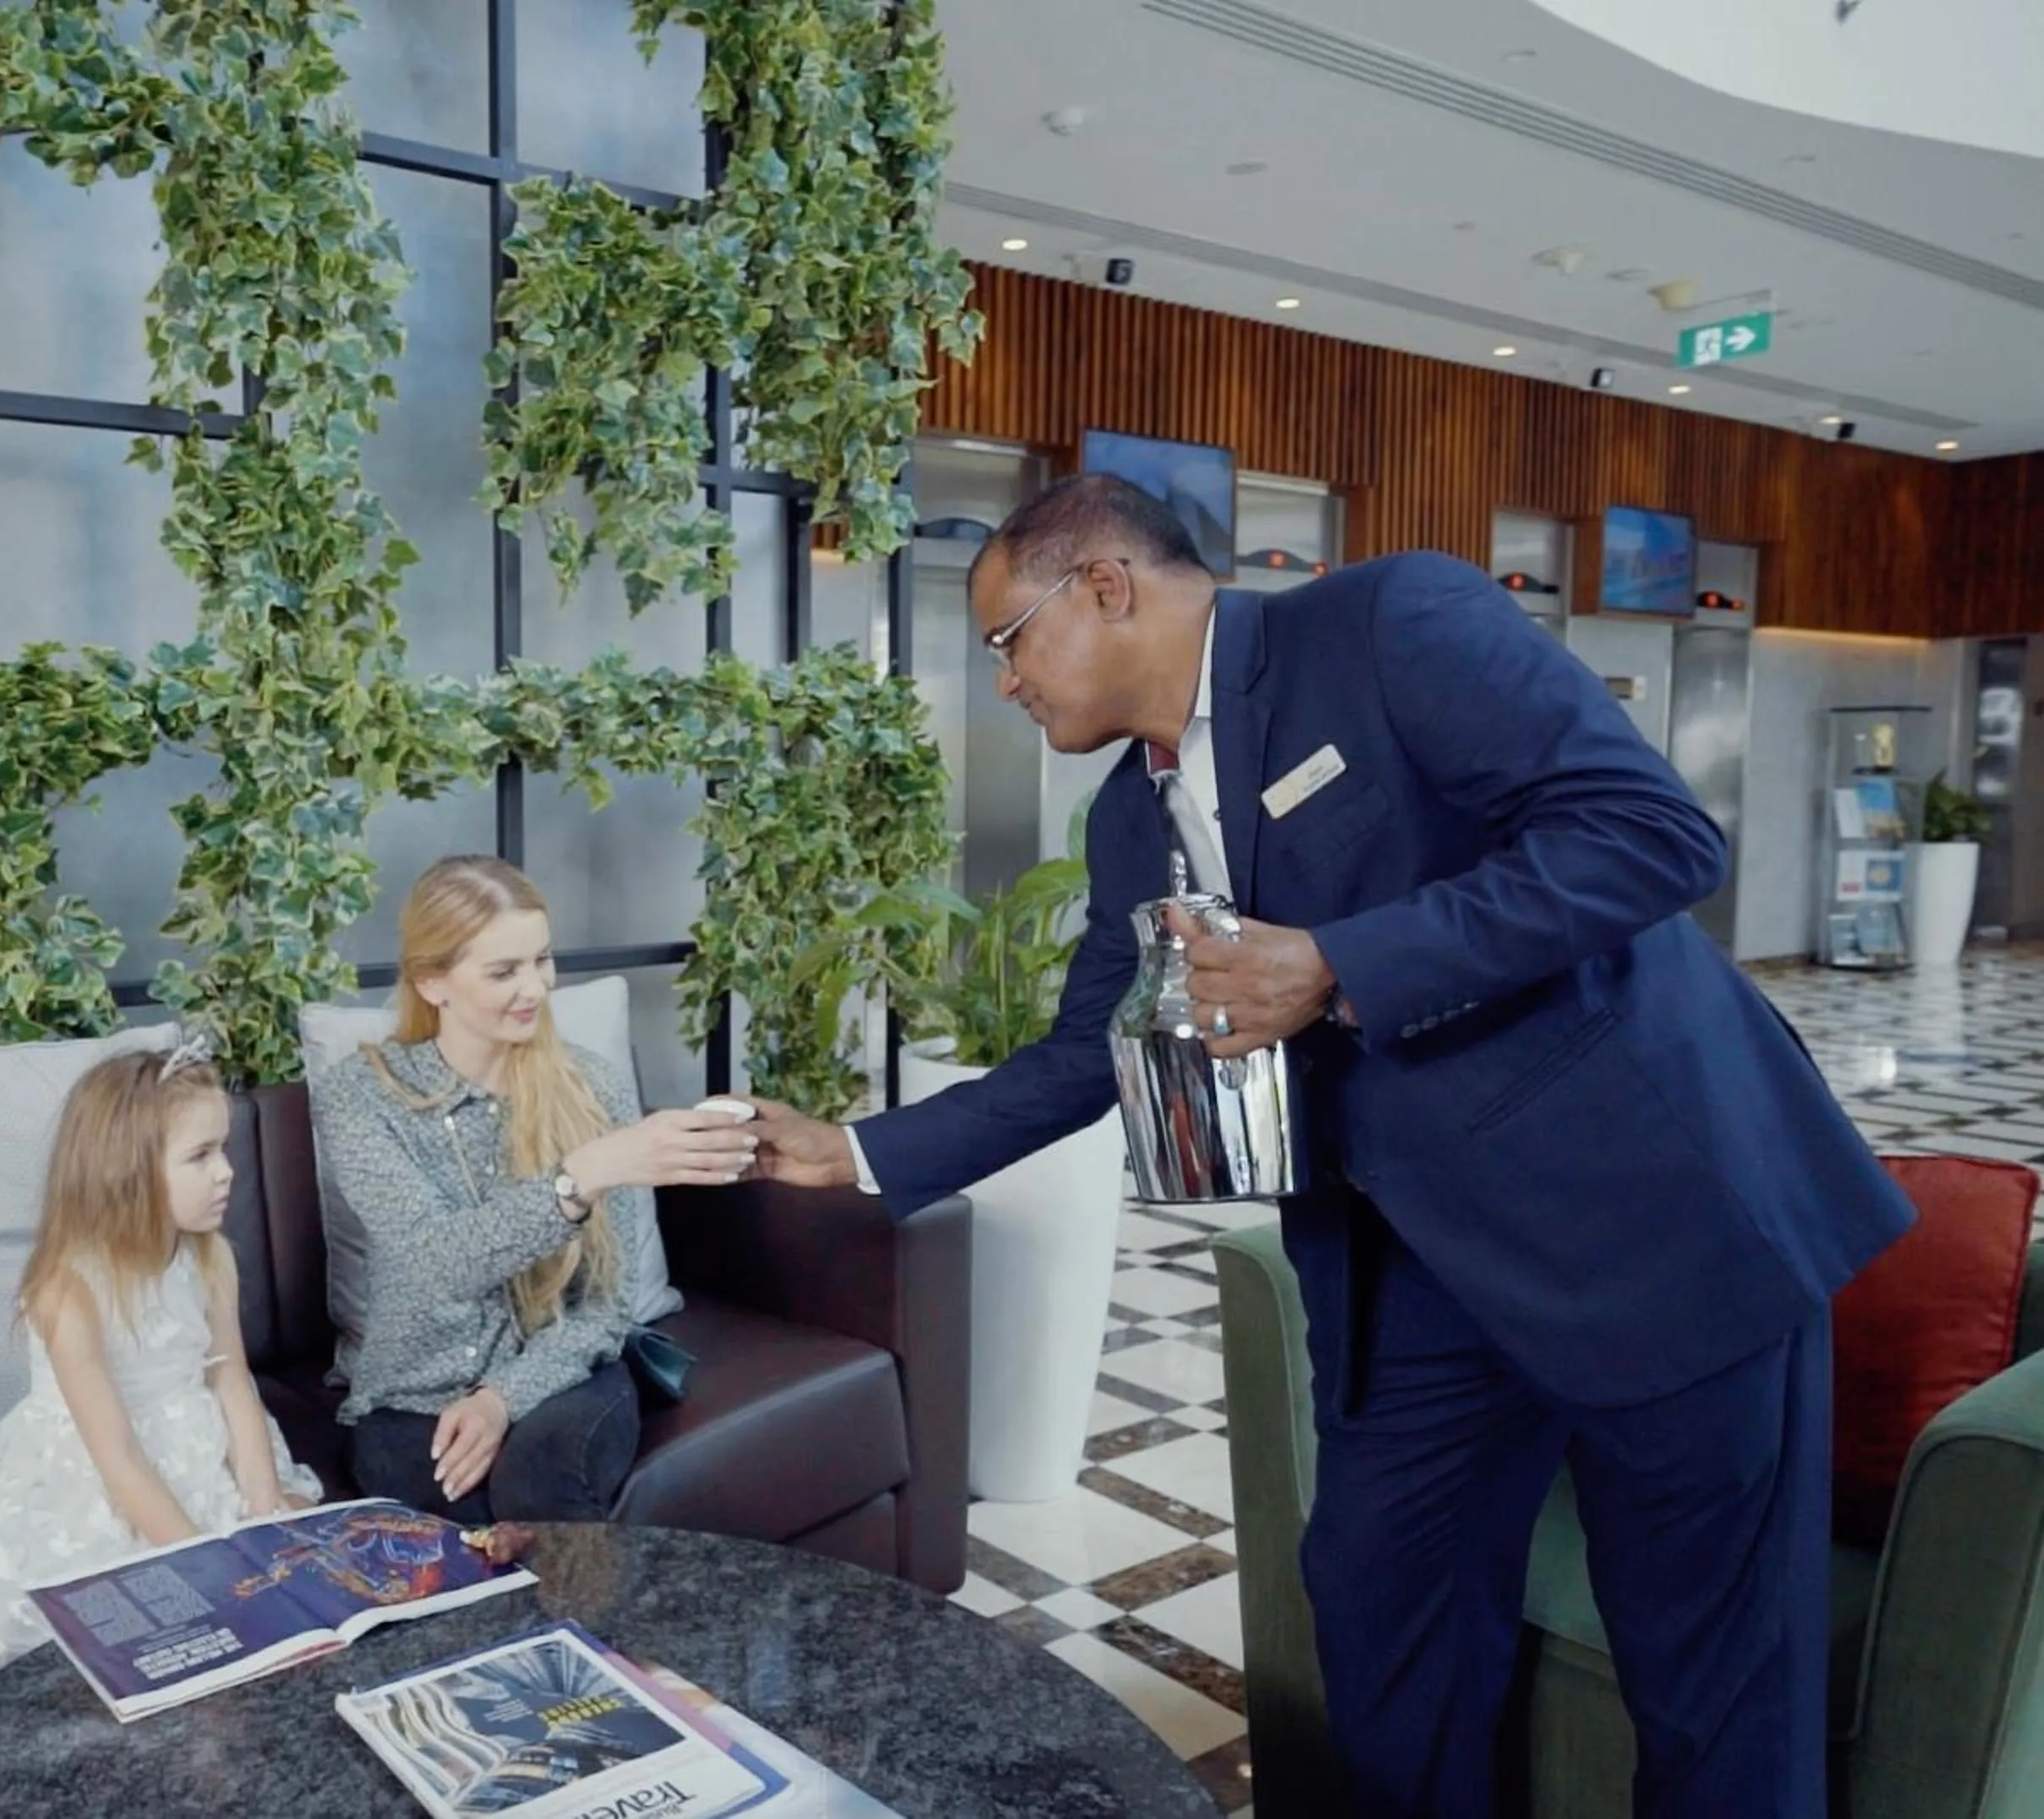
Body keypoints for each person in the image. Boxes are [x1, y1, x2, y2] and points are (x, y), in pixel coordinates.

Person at [745, 474, 1912, 1819]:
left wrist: (1338, 965)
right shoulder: (1130, 818)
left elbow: (1649, 836)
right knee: (1378, 1607)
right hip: (1413, 1273)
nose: (1004, 679)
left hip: (1655, 1226)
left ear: (1108, 586)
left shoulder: (1389, 624)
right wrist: (859, 1150)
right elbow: (1087, 1055)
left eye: (1010, 638)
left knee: (1714, 1688)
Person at [309, 856, 756, 1525]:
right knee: (458, 1534)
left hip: (564, 1369)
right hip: (411, 1392)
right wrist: (576, 1181)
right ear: (433, 980)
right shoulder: (361, 1096)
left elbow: (606, 1309)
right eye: (503, 971)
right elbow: (438, 1263)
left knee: (540, 1500)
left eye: (541, 960)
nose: (535, 988)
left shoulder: (592, 1088)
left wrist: (501, 1399)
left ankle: (601, 1637)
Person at [0, 1040, 324, 1670]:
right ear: (127, 1173)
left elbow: (231, 1383)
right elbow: (114, 1451)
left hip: (201, 1444)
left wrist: (261, 1501)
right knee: (173, 1606)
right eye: (200, 1156)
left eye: (222, 1148)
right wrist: (203, 1560)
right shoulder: (69, 1288)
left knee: (292, 1554)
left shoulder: (210, 1256)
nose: (227, 1171)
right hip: (101, 1473)